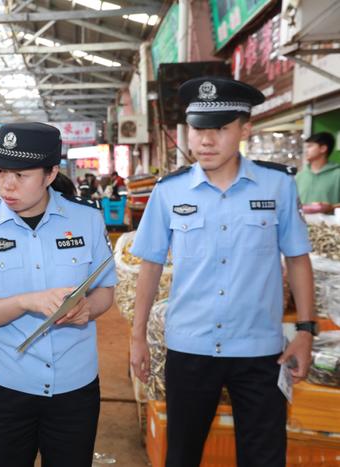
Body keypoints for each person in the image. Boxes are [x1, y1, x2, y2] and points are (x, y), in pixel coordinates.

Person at [129, 77, 315, 467]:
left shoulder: (277, 185)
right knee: (182, 454)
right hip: (190, 348)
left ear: (245, 129)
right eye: (198, 129)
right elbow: (150, 265)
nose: (206, 140)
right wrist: (137, 337)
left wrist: (305, 331)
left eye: (220, 129)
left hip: (260, 351)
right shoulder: (170, 192)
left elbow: (298, 258)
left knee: (264, 457)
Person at [0, 122, 117, 467]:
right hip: (6, 386)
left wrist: (88, 307)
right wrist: (25, 302)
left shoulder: (87, 218)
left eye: (21, 174)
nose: (7, 184)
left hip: (75, 387)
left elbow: (106, 290)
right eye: (1, 172)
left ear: (50, 174)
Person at [295, 132, 340, 213]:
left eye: (310, 146)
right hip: (301, 224)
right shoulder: (299, 175)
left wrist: (331, 207)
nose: (305, 151)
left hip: (330, 225)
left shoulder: (337, 174)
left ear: (323, 149)